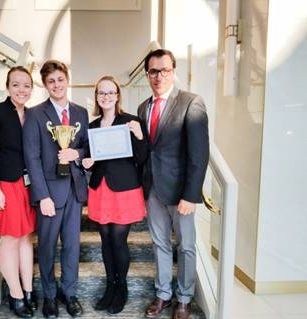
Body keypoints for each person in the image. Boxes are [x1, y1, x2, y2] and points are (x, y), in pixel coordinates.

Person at [138, 49, 209, 319]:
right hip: (153, 188)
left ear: (173, 71)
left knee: (186, 245)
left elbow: (199, 154)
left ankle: (185, 298)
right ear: (147, 74)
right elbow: (149, 149)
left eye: (164, 70)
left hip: (181, 192)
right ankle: (163, 294)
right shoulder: (143, 107)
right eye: (153, 71)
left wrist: (191, 195)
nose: (159, 76)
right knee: (159, 244)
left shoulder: (192, 103)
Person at [23, 60, 89, 318]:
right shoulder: (35, 115)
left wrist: (77, 153)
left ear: (67, 79)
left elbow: (87, 148)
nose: (56, 85)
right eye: (51, 81)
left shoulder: (81, 113)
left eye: (60, 79)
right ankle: (49, 296)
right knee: (48, 247)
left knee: (72, 246)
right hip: (50, 195)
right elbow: (32, 158)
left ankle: (69, 293)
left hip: (74, 191)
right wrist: (42, 196)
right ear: (45, 85)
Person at [82, 75, 148, 314]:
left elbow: (142, 158)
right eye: (102, 93)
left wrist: (140, 136)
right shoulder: (92, 126)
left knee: (118, 240)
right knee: (105, 239)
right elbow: (91, 158)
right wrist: (86, 162)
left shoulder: (131, 121)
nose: (106, 96)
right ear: (97, 97)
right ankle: (110, 286)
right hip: (100, 188)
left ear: (118, 95)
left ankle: (122, 287)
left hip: (124, 189)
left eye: (111, 92)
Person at [0, 66, 37, 318]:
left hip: (27, 185)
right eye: (16, 84)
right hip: (4, 186)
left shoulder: (32, 115)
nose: (21, 89)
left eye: (26, 85)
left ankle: (29, 289)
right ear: (7, 87)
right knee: (10, 238)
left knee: (25, 237)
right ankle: (15, 294)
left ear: (32, 88)